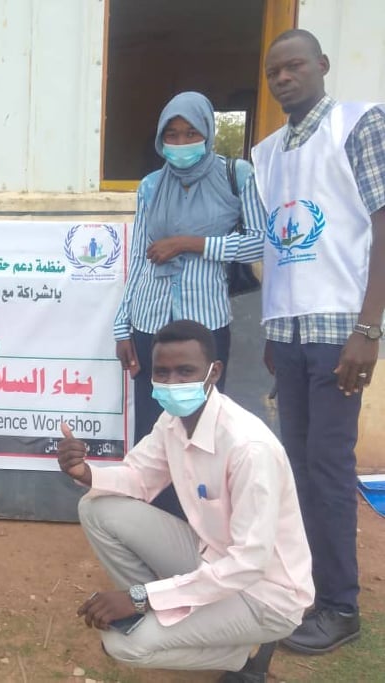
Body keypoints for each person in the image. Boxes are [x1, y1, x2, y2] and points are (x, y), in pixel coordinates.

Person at [57, 320, 313, 682]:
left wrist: (139, 595)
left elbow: (249, 564)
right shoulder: (173, 421)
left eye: (185, 371)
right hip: (211, 559)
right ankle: (158, 613)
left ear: (214, 372)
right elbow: (139, 477)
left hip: (265, 594)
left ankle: (245, 651)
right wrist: (85, 473)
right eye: (162, 372)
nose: (172, 382)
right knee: (96, 508)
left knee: (122, 645)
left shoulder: (248, 448)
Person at [244, 28, 385, 654]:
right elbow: (280, 246)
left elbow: (381, 227)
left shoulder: (358, 125)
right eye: (273, 72)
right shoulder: (267, 153)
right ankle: (309, 589)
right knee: (296, 463)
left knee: (328, 463)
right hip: (289, 331)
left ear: (322, 65)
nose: (283, 78)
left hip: (339, 334)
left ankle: (340, 607)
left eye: (294, 66)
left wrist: (369, 328)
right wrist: (273, 329)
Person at [113, 92, 264, 518]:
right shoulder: (150, 186)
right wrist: (123, 326)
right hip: (150, 323)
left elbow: (260, 242)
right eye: (172, 135)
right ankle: (155, 525)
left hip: (205, 324)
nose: (181, 143)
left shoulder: (236, 176)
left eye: (191, 133)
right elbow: (139, 258)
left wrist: (192, 243)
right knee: (152, 428)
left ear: (208, 133)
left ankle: (202, 524)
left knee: (205, 427)